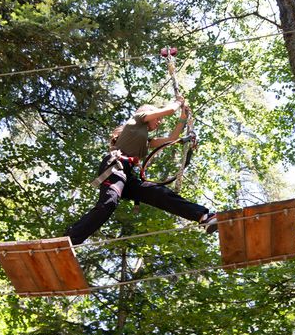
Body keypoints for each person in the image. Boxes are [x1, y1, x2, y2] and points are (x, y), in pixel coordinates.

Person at [65, 100, 217, 245]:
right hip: (115, 167)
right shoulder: (136, 120)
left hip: (126, 176)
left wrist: (183, 118)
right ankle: (70, 239)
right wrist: (179, 102)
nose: (160, 122)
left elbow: (172, 138)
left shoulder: (146, 141)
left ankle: (203, 217)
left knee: (158, 193)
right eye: (157, 118)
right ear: (148, 113)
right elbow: (169, 110)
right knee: (108, 203)